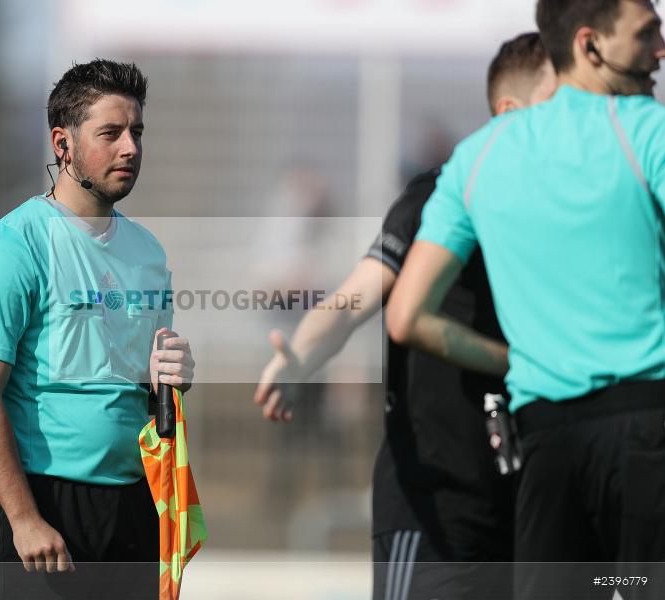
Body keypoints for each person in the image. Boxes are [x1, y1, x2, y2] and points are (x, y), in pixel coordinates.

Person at [254, 33, 557, 600]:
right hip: (436, 515)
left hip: (535, 515)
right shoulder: (436, 199)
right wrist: (302, 356)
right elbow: (353, 300)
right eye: (562, 104)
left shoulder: (579, 212)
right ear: (513, 112)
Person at [385, 1, 665, 598]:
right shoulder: (647, 130)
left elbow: (407, 315)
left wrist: (518, 360)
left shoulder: (482, 153)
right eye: (648, 35)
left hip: (548, 450)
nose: (661, 51)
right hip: (647, 436)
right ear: (590, 45)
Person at [0, 59, 195, 600]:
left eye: (136, 132)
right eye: (110, 133)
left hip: (132, 510)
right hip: (41, 508)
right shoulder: (12, 247)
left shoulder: (148, 252)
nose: (130, 147)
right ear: (62, 144)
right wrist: (24, 519)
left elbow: (144, 386)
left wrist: (174, 378)